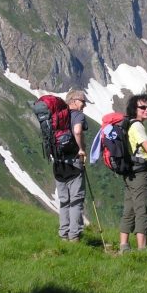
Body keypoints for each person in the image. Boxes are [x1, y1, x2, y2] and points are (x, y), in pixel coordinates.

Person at [119, 93, 147, 253]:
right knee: (142, 209)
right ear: (134, 109)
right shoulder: (137, 126)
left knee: (129, 208)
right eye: (142, 107)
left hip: (130, 171)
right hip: (139, 172)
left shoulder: (129, 124)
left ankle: (124, 246)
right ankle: (142, 249)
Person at [55, 89, 91, 242]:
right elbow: (77, 131)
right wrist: (81, 149)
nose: (84, 105)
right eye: (82, 101)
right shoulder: (78, 115)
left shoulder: (57, 117)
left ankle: (63, 235)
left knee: (64, 200)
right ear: (74, 101)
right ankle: (74, 236)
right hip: (74, 162)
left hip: (58, 163)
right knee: (76, 200)